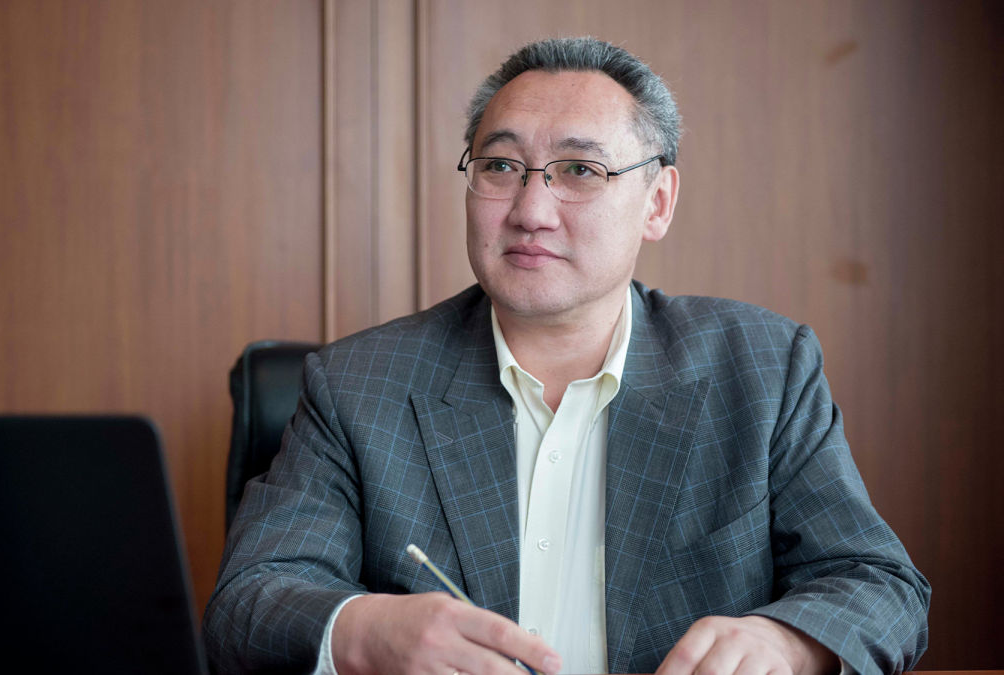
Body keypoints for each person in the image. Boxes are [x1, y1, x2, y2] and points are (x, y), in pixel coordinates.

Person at [204, 37, 930, 674]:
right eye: (501, 166)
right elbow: (247, 602)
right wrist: (365, 632)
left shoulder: (764, 369)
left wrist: (787, 642)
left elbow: (878, 583)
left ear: (658, 201)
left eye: (580, 170)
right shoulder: (358, 383)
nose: (530, 210)